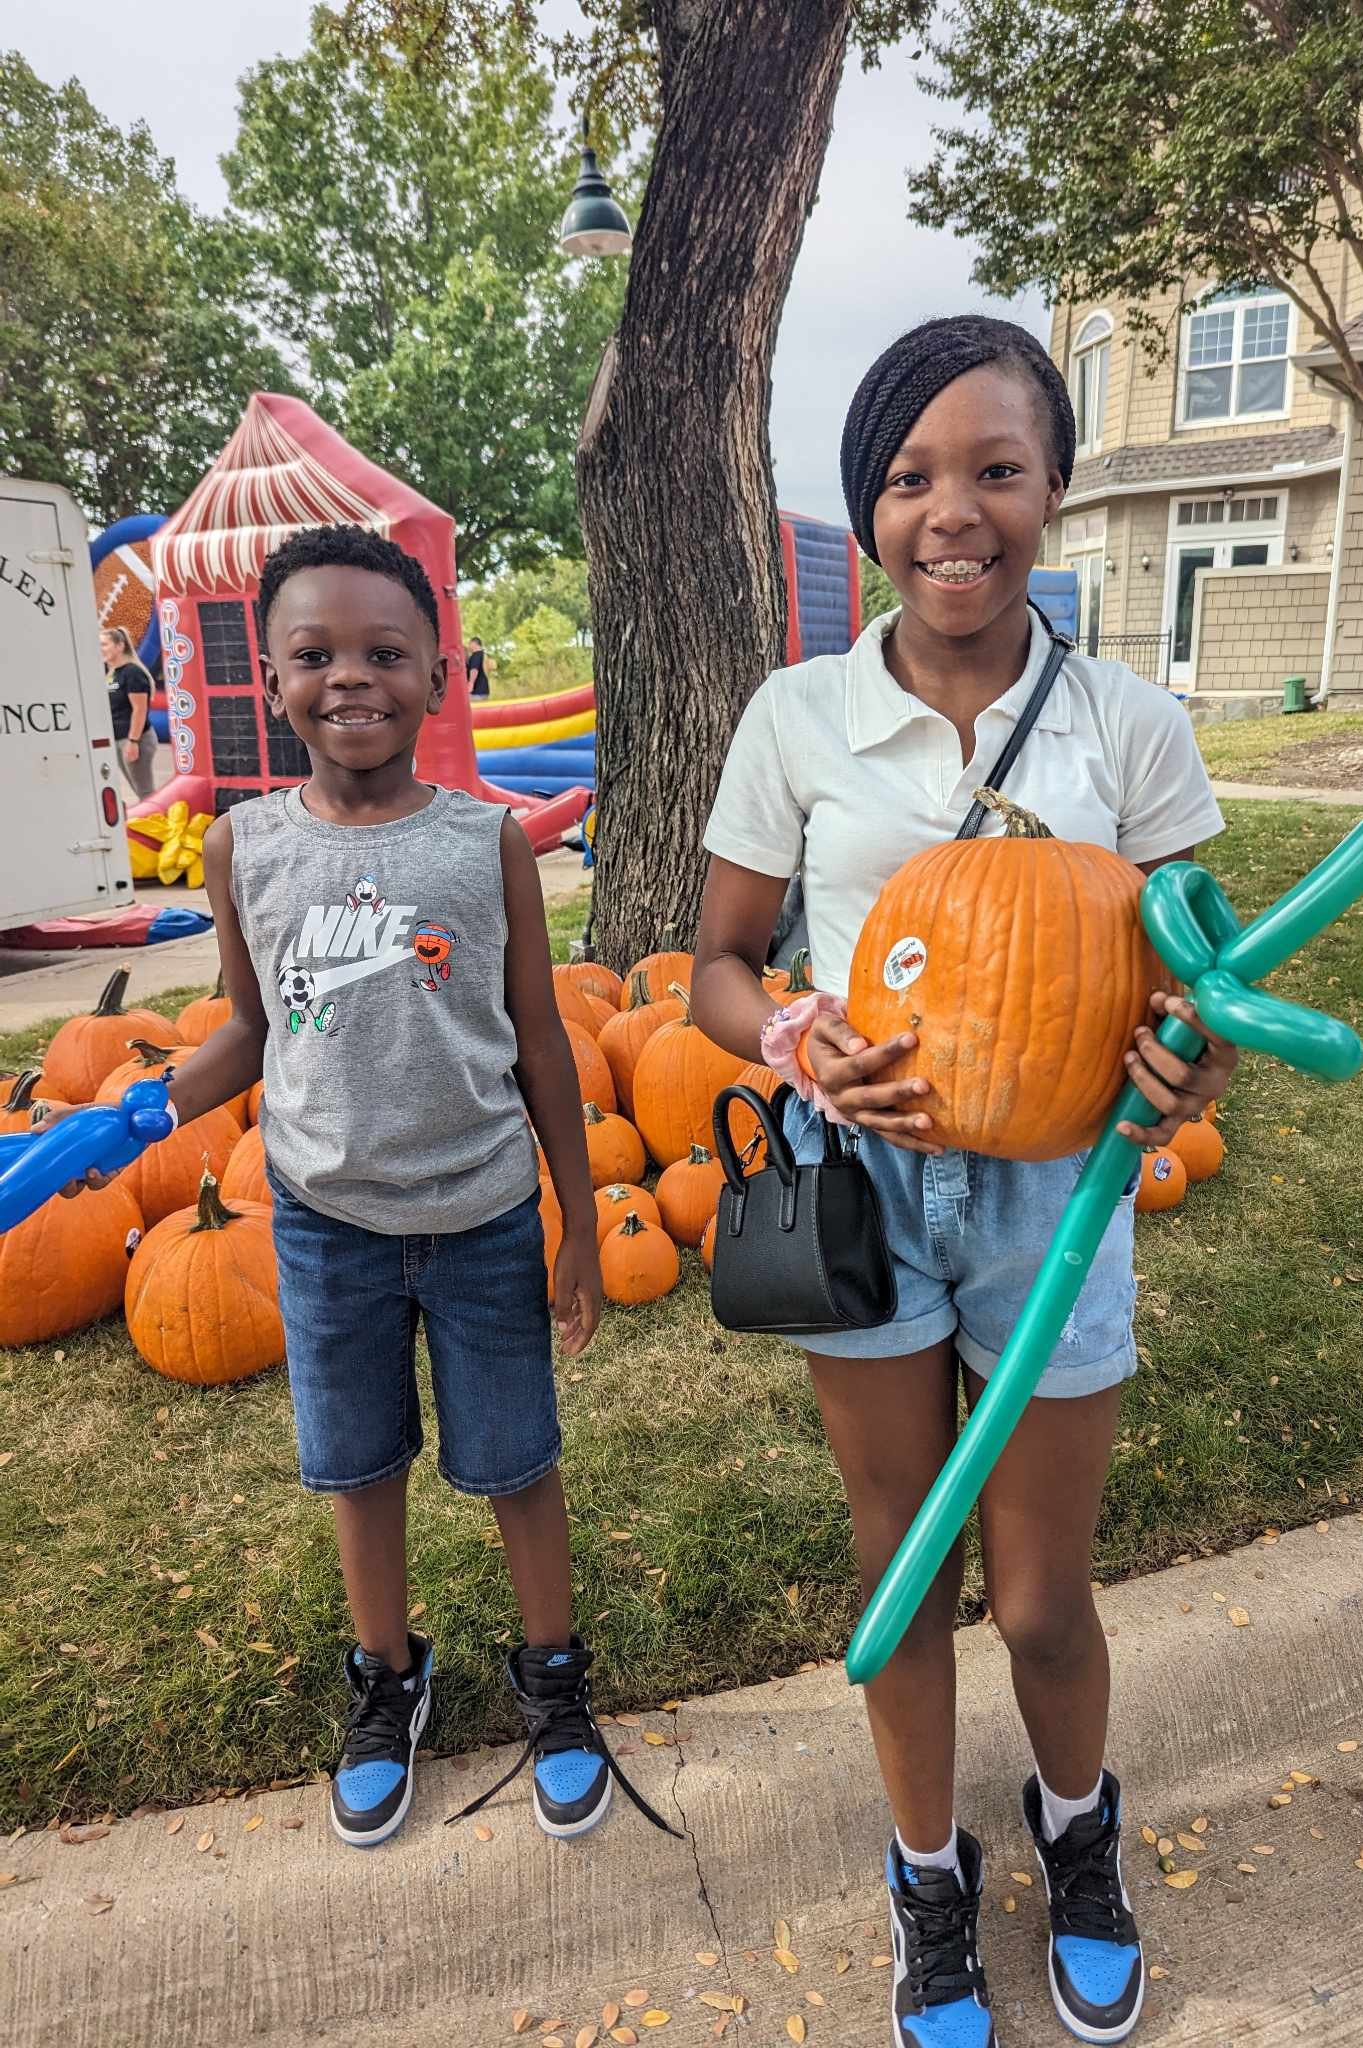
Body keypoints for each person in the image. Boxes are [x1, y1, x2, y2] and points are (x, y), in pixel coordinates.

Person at [693, 316, 1237, 2048]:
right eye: (912, 476)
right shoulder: (798, 713)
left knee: (1041, 1591)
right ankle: (924, 1867)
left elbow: (1197, 984)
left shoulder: (1131, 726)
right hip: (855, 1189)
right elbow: (714, 961)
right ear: (867, 510)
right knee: (898, 1566)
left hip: (1053, 1199)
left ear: (1052, 490)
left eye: (995, 468)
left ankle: (1075, 1832)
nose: (954, 510)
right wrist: (791, 1038)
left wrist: (1186, 1062)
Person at [57, 525, 670, 1856]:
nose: (353, 678)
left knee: (516, 1464)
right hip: (323, 1225)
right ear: (270, 676)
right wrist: (148, 1103)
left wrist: (572, 1219)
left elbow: (542, 1041)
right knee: (359, 1470)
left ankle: (553, 1684)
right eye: (316, 653)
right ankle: (388, 1682)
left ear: (436, 675)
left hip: (484, 1217)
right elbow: (247, 1027)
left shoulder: (485, 843)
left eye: (384, 653)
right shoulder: (244, 848)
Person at [101, 626, 158, 798]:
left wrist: (133, 741)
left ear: (119, 646)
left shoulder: (133, 673)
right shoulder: (109, 672)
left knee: (145, 791)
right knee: (136, 788)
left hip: (135, 738)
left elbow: (140, 710)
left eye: (104, 644)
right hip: (118, 738)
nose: (100, 649)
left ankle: (156, 822)